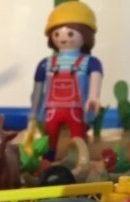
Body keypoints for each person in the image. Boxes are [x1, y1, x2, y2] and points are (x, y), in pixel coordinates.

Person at [29, 1, 103, 157]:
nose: (63, 38)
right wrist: (34, 112)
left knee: (78, 139)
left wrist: (93, 97)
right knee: (49, 140)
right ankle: (48, 162)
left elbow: (96, 76)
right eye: (57, 34)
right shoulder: (46, 64)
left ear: (85, 34)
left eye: (70, 34)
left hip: (76, 110)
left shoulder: (89, 62)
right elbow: (37, 90)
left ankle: (80, 161)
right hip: (52, 110)